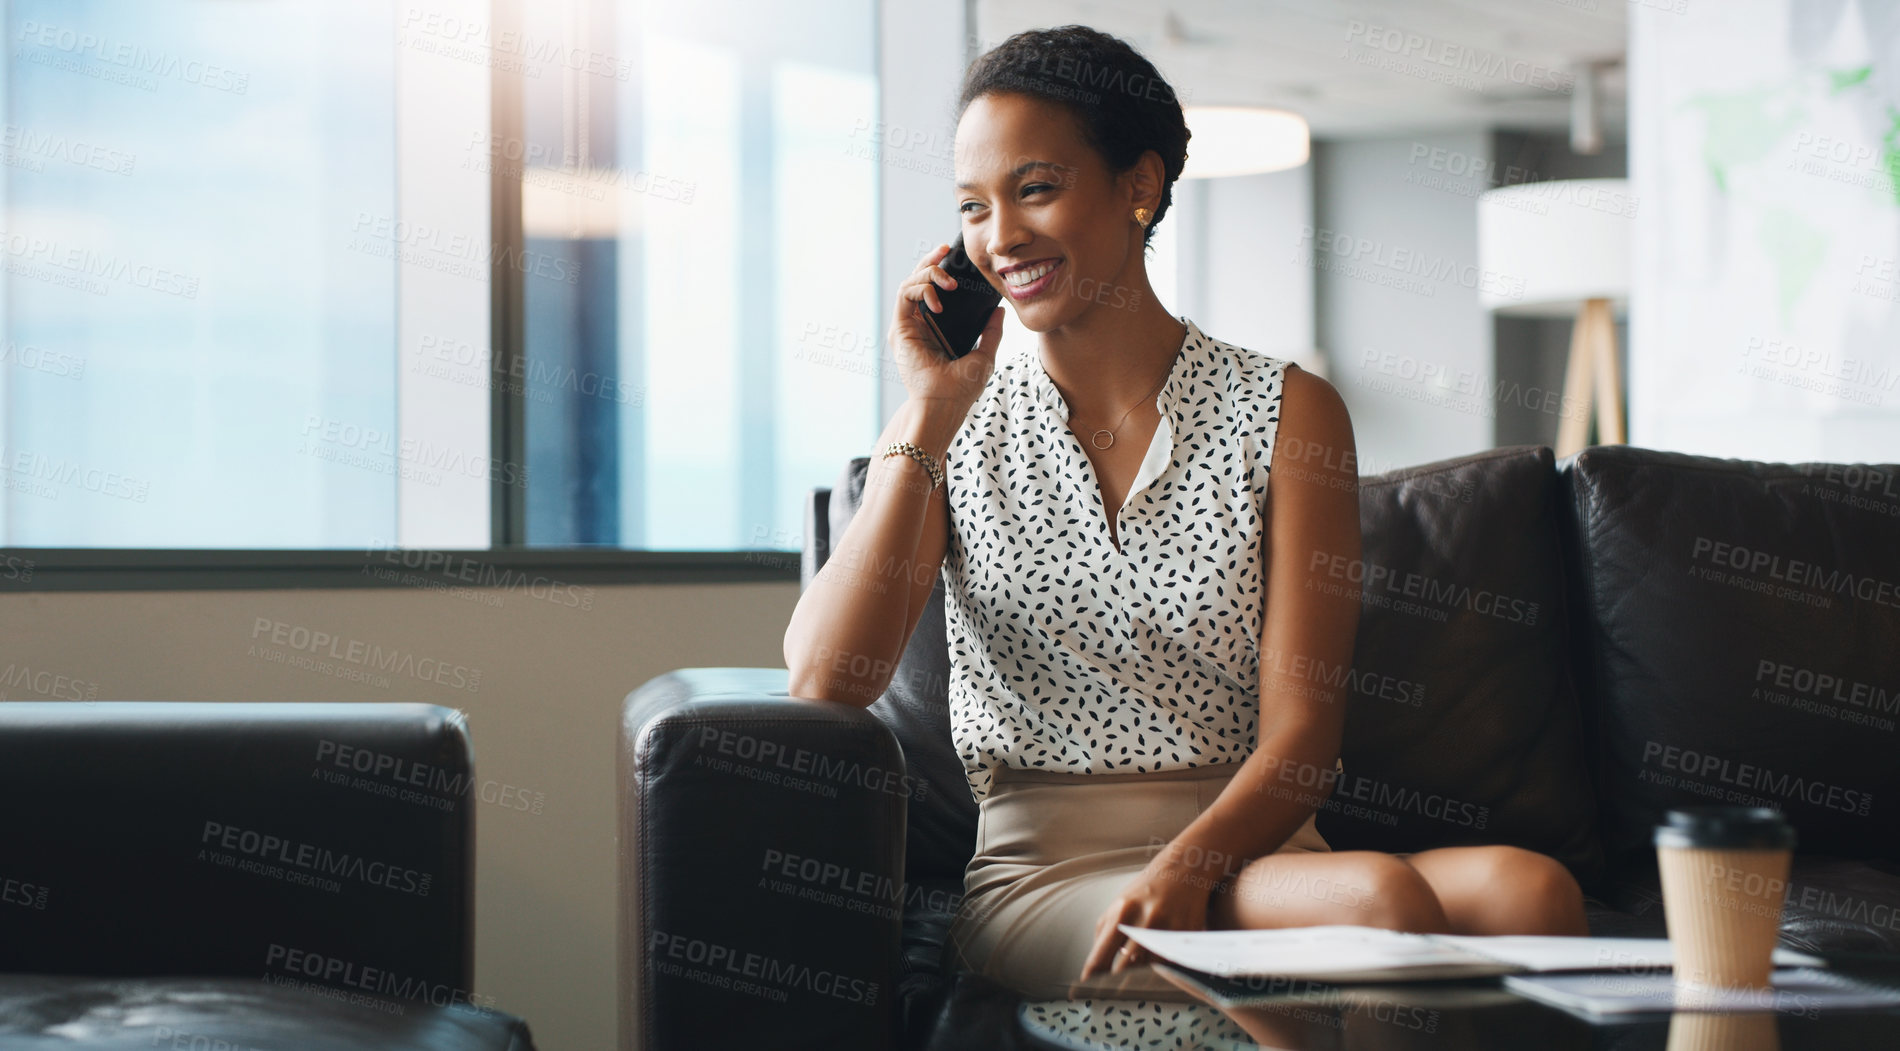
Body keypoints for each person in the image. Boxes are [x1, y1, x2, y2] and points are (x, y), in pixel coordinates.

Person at [783, 23, 1588, 1004]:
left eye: (1035, 188)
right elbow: (829, 679)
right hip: (1047, 875)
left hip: (1256, 848)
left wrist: (1190, 865)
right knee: (1377, 899)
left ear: (1140, 185)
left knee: (1527, 890)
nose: (999, 237)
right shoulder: (951, 424)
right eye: (972, 207)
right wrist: (928, 411)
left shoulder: (1288, 410)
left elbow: (1302, 743)